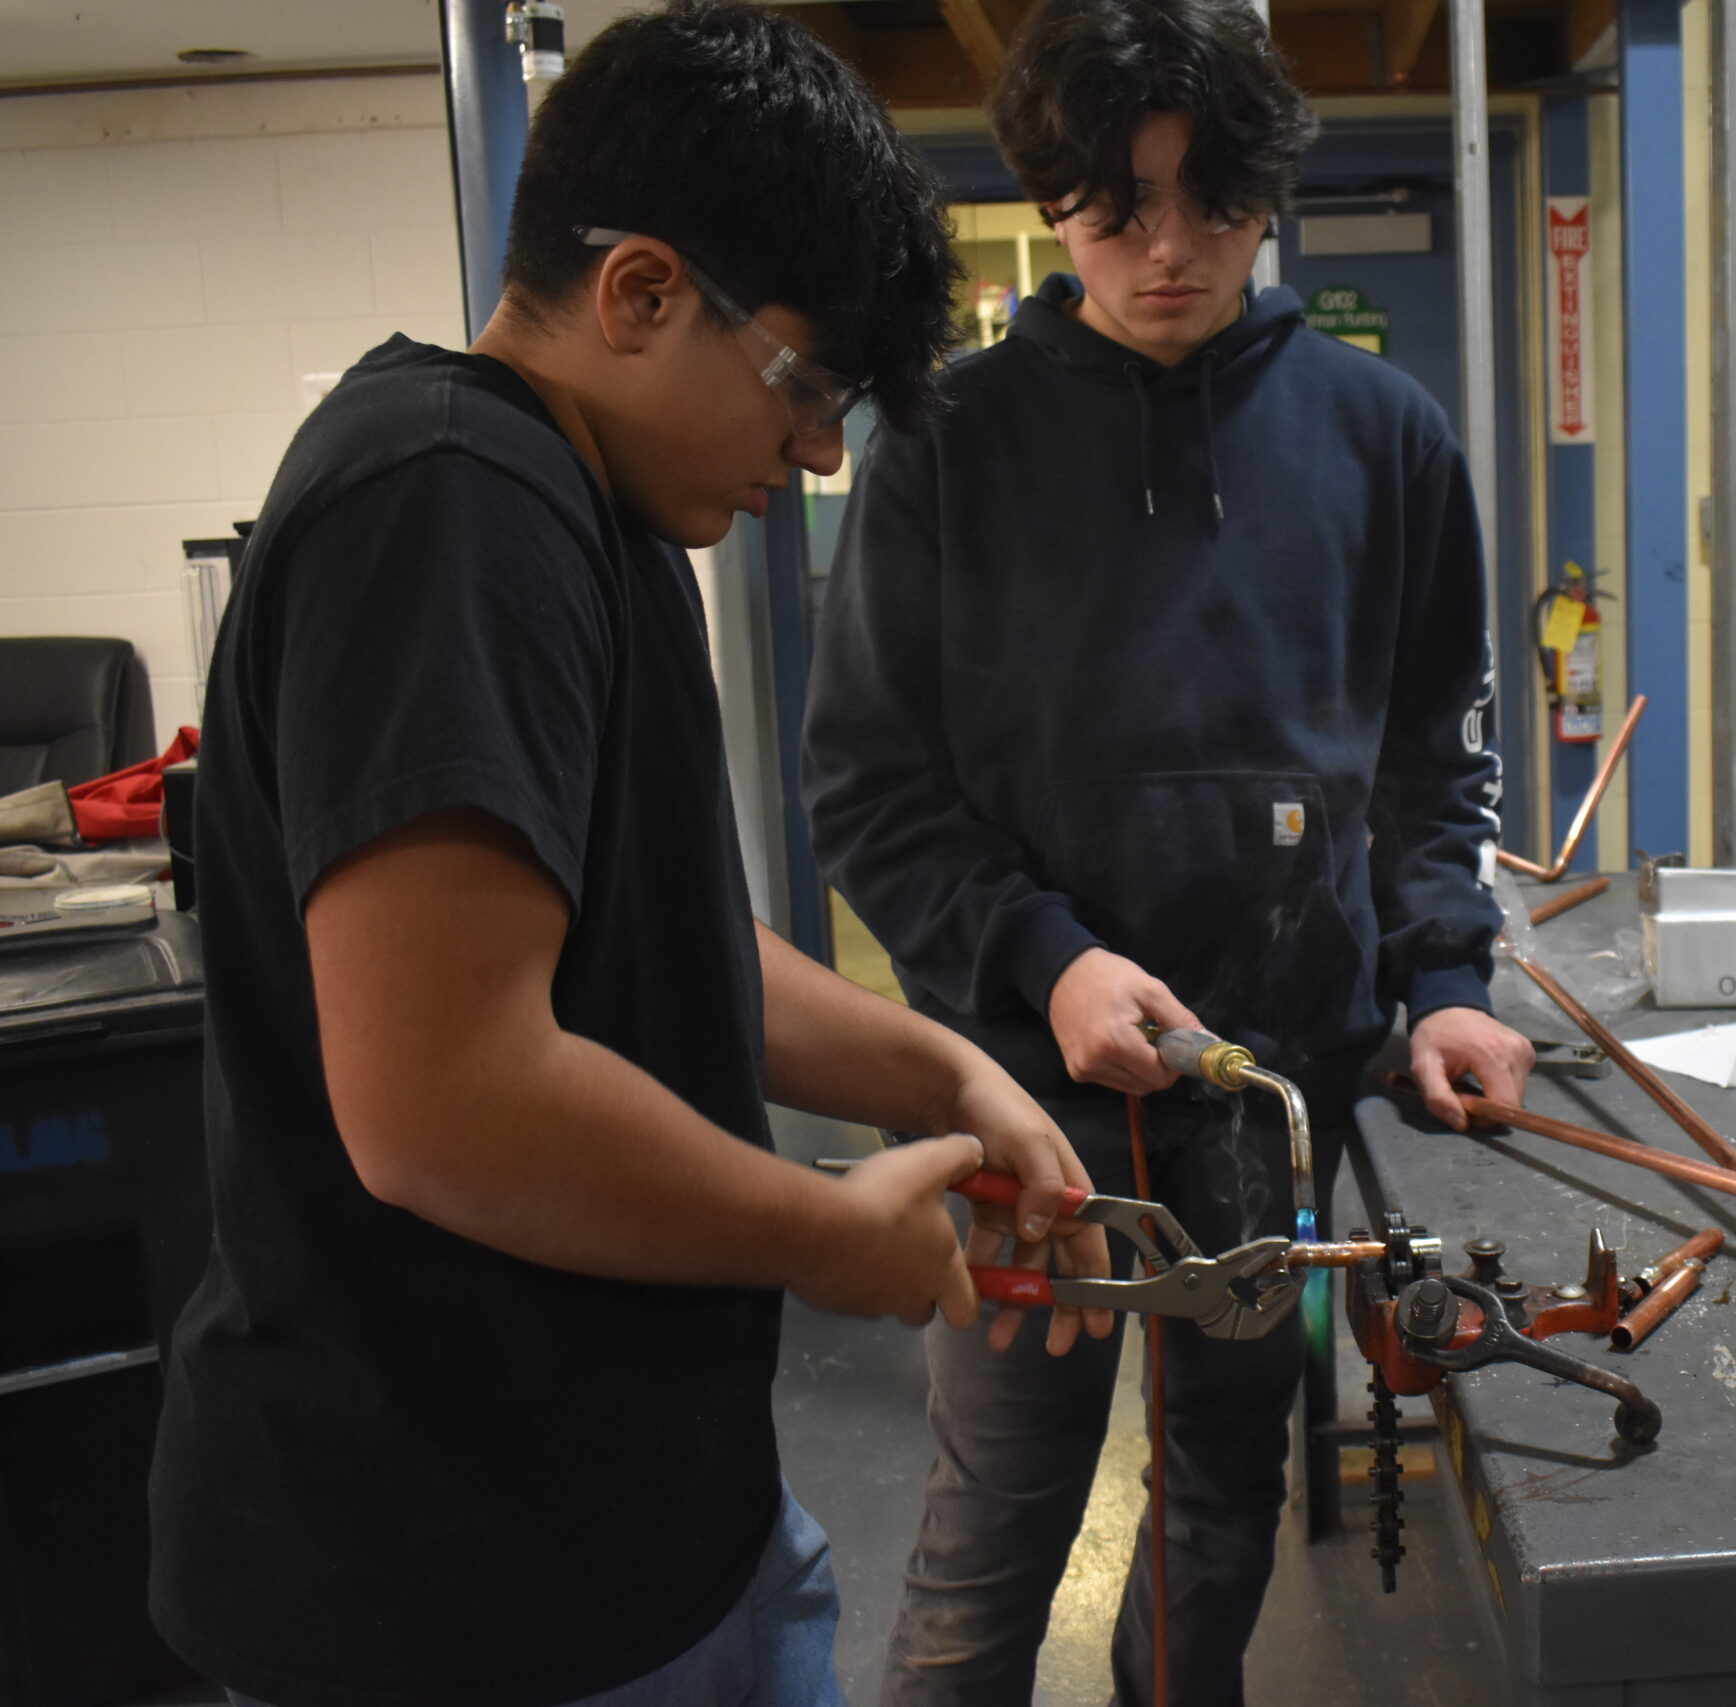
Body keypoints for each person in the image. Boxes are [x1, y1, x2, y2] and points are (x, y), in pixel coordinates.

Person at [148, 7, 1111, 1704]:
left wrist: (942, 1070)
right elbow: (446, 1101)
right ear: (643, 291)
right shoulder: (449, 498)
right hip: (453, 1602)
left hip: (658, 1535)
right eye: (807, 386)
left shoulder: (590, 514)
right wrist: (825, 1236)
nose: (817, 454)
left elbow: (662, 949)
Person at [800, 0, 1535, 1697]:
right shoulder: (940, 442)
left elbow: (1438, 758)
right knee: (996, 1533)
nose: (1169, 250)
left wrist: (1441, 981)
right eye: (1118, 207)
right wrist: (1045, 962)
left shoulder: (1387, 440)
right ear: (1050, 203)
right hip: (1020, 1088)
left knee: (1221, 1513)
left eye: (1212, 201)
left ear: (1269, 192)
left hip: (1269, 1085)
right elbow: (869, 787)